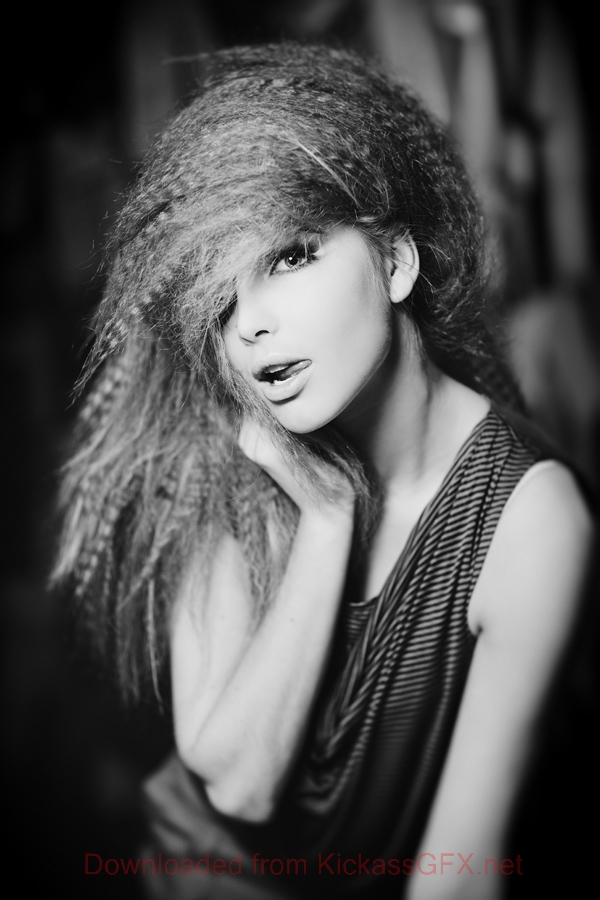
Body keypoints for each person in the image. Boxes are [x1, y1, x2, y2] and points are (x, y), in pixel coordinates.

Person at [52, 43, 593, 899]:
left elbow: (458, 878)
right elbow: (238, 779)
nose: (250, 326)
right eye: (221, 300)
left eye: (291, 255)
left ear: (396, 260)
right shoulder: (228, 455)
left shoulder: (531, 522)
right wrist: (328, 516)